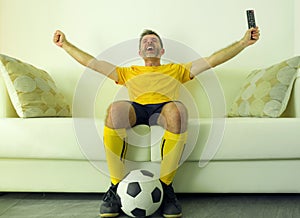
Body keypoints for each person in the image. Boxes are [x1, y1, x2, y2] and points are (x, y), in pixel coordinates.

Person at [53, 27, 260, 217]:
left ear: (161, 51)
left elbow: (212, 60)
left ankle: (166, 188)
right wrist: (66, 45)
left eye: (153, 41)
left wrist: (243, 42)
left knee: (178, 110)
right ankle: (115, 189)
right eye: (145, 42)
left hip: (164, 109)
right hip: (137, 109)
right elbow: (94, 64)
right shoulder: (128, 72)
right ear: (140, 52)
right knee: (115, 110)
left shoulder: (177, 70)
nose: (149, 43)